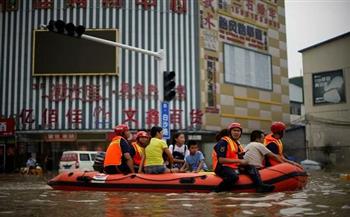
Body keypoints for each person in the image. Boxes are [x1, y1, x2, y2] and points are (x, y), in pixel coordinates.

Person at [212, 123, 248, 192]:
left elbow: (233, 156)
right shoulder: (223, 142)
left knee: (251, 168)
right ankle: (216, 191)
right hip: (221, 167)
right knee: (233, 177)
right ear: (229, 132)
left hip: (231, 166)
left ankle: (260, 185)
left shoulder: (235, 143)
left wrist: (240, 156)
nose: (236, 133)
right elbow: (221, 160)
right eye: (234, 131)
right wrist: (239, 161)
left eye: (238, 131)